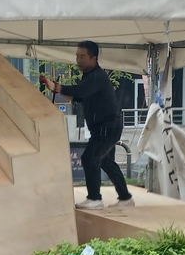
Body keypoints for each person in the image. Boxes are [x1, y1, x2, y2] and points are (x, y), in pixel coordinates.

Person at [41, 41, 134, 211]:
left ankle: (94, 198)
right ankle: (126, 197)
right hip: (106, 127)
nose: (78, 60)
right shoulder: (90, 77)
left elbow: (80, 92)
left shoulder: (97, 77)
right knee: (105, 162)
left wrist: (57, 87)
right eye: (77, 56)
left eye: (82, 56)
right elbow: (79, 97)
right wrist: (59, 91)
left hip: (106, 127)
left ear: (94, 58)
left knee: (89, 158)